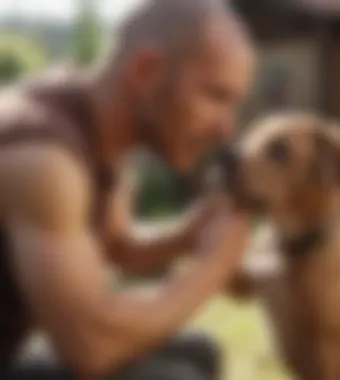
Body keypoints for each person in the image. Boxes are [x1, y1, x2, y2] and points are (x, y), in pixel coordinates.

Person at [0, 0, 255, 378]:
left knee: (199, 351)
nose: (226, 129)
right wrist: (216, 266)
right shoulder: (44, 158)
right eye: (215, 96)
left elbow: (118, 245)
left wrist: (188, 233)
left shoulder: (99, 129)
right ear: (144, 70)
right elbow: (91, 346)